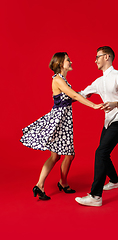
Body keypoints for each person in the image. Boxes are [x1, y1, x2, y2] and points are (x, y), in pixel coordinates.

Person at [20, 52, 103, 200]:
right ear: (60, 64)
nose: (71, 62)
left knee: (57, 155)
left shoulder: (63, 80)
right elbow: (74, 96)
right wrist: (93, 105)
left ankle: (47, 184)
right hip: (59, 121)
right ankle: (54, 183)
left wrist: (83, 95)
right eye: (67, 60)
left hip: (63, 120)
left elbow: (69, 99)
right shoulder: (58, 79)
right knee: (66, 155)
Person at [75, 46, 118, 206]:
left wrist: (117, 103)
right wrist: (63, 94)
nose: (95, 60)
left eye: (97, 56)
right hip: (108, 122)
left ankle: (96, 196)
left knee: (101, 152)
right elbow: (82, 94)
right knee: (104, 153)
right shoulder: (99, 81)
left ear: (107, 57)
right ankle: (115, 181)